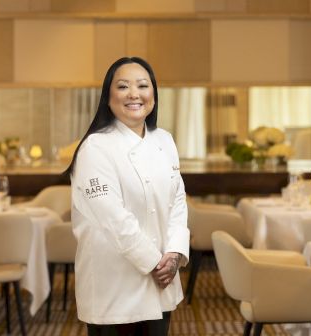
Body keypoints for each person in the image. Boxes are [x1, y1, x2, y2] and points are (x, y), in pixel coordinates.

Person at [66, 56, 190, 336]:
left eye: (143, 86)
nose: (134, 94)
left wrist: (174, 255)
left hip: (162, 281)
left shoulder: (164, 140)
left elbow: (178, 202)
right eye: (123, 87)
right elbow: (113, 217)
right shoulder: (95, 148)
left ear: (153, 96)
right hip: (115, 285)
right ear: (108, 98)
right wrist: (156, 263)